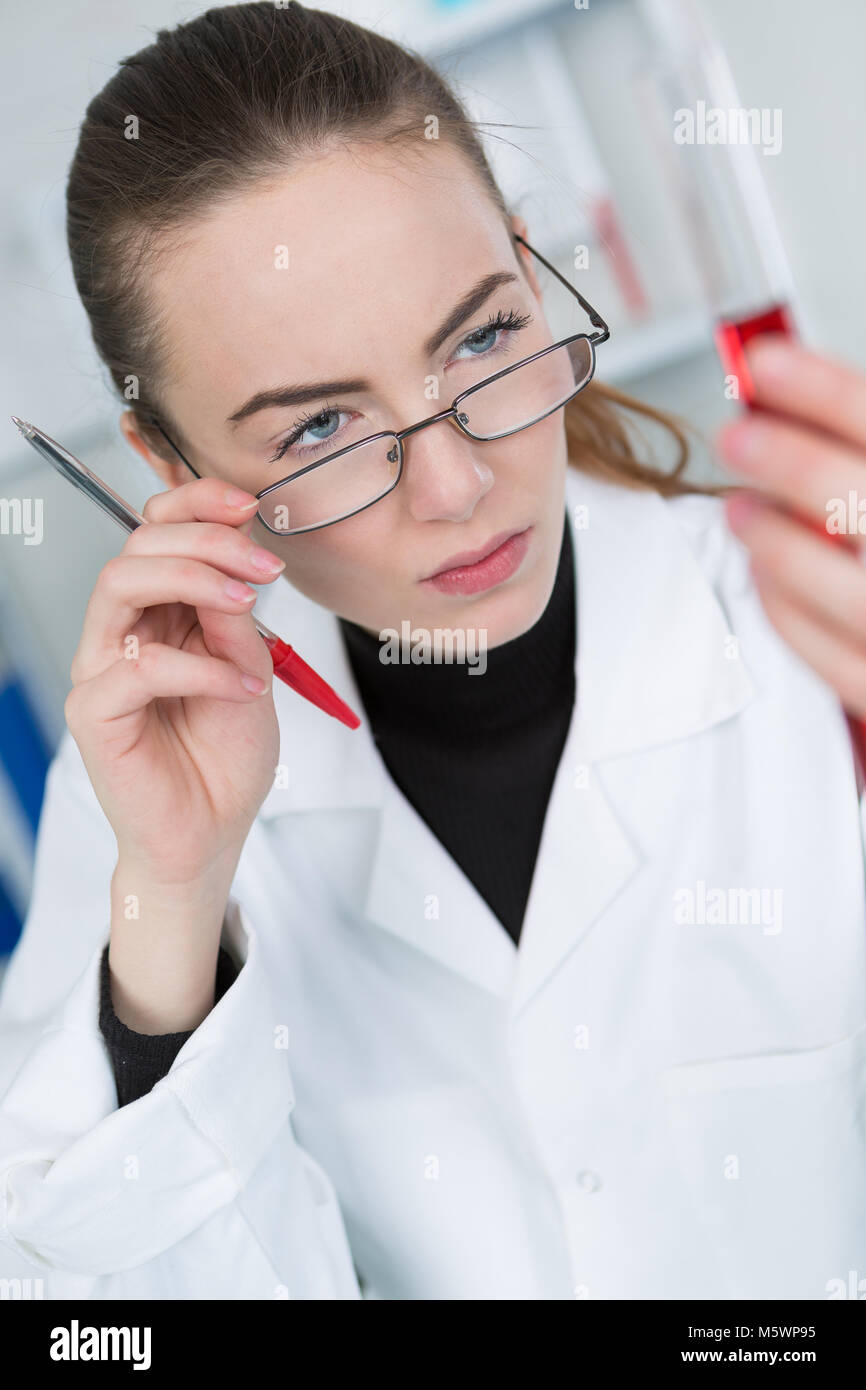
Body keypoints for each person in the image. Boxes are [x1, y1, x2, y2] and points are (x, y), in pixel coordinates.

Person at [1, 1, 865, 1301]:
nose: (457, 483)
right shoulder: (134, 806)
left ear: (529, 274)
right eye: (316, 430)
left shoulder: (814, 635)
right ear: (173, 472)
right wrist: (175, 907)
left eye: (481, 338)